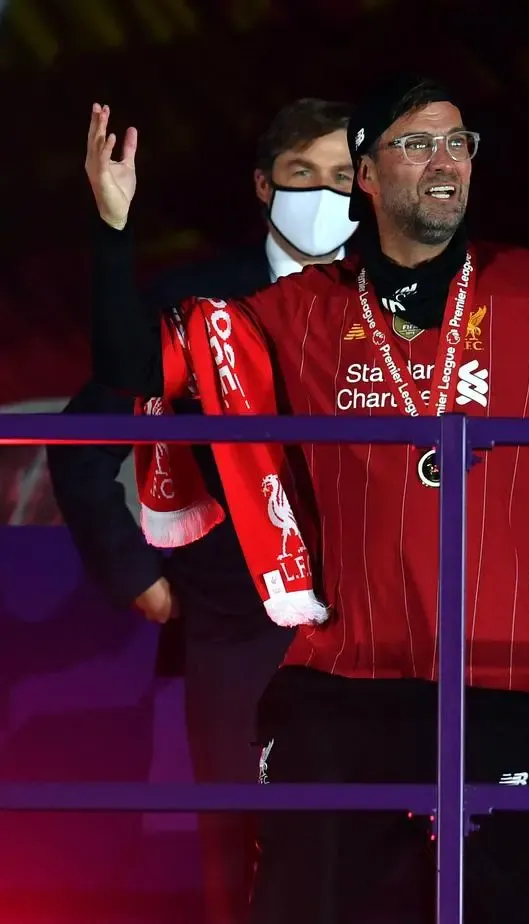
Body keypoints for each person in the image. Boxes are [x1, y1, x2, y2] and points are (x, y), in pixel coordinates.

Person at [83, 75, 529, 924]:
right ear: (366, 174)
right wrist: (111, 228)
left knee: (503, 901)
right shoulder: (300, 310)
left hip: (500, 674)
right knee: (296, 900)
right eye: (418, 143)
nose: (446, 162)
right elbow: (130, 368)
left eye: (459, 143)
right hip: (343, 677)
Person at [49, 97, 357, 924]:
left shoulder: (390, 301)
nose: (323, 197)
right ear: (263, 186)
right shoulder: (195, 299)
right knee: (243, 848)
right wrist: (136, 575)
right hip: (236, 624)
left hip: (371, 625)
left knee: (369, 842)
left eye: (340, 179)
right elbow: (84, 439)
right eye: (303, 176)